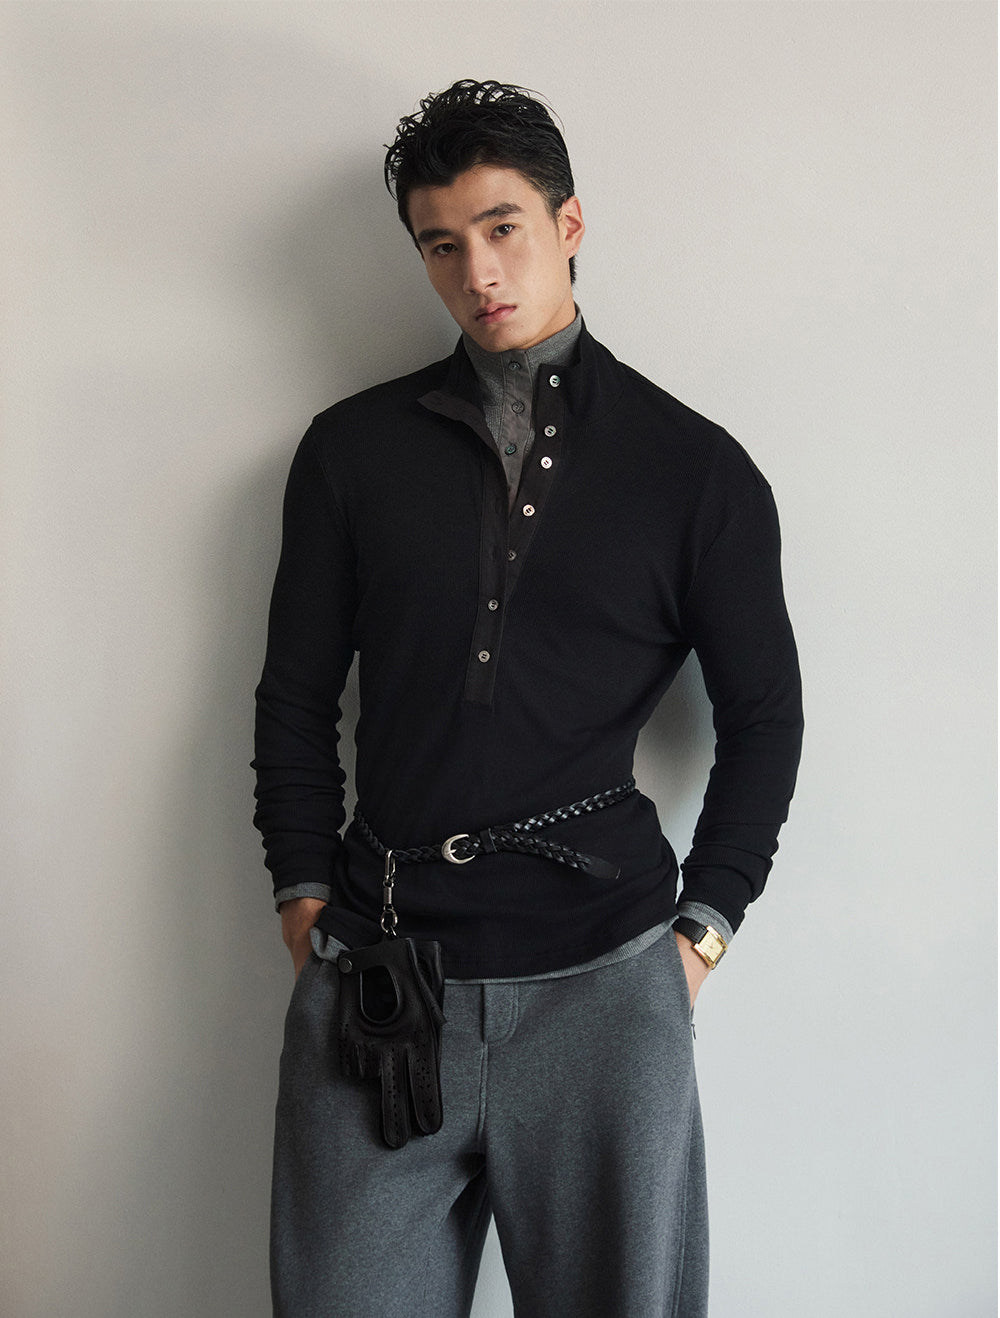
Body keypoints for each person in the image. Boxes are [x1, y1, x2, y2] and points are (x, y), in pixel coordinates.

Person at [253, 79, 803, 1318]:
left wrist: (700, 936)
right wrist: (302, 902)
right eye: (440, 244)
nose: (477, 271)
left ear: (568, 223)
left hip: (606, 984)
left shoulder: (695, 470)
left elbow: (765, 719)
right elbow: (293, 698)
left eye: (501, 227)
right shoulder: (349, 452)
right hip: (377, 970)